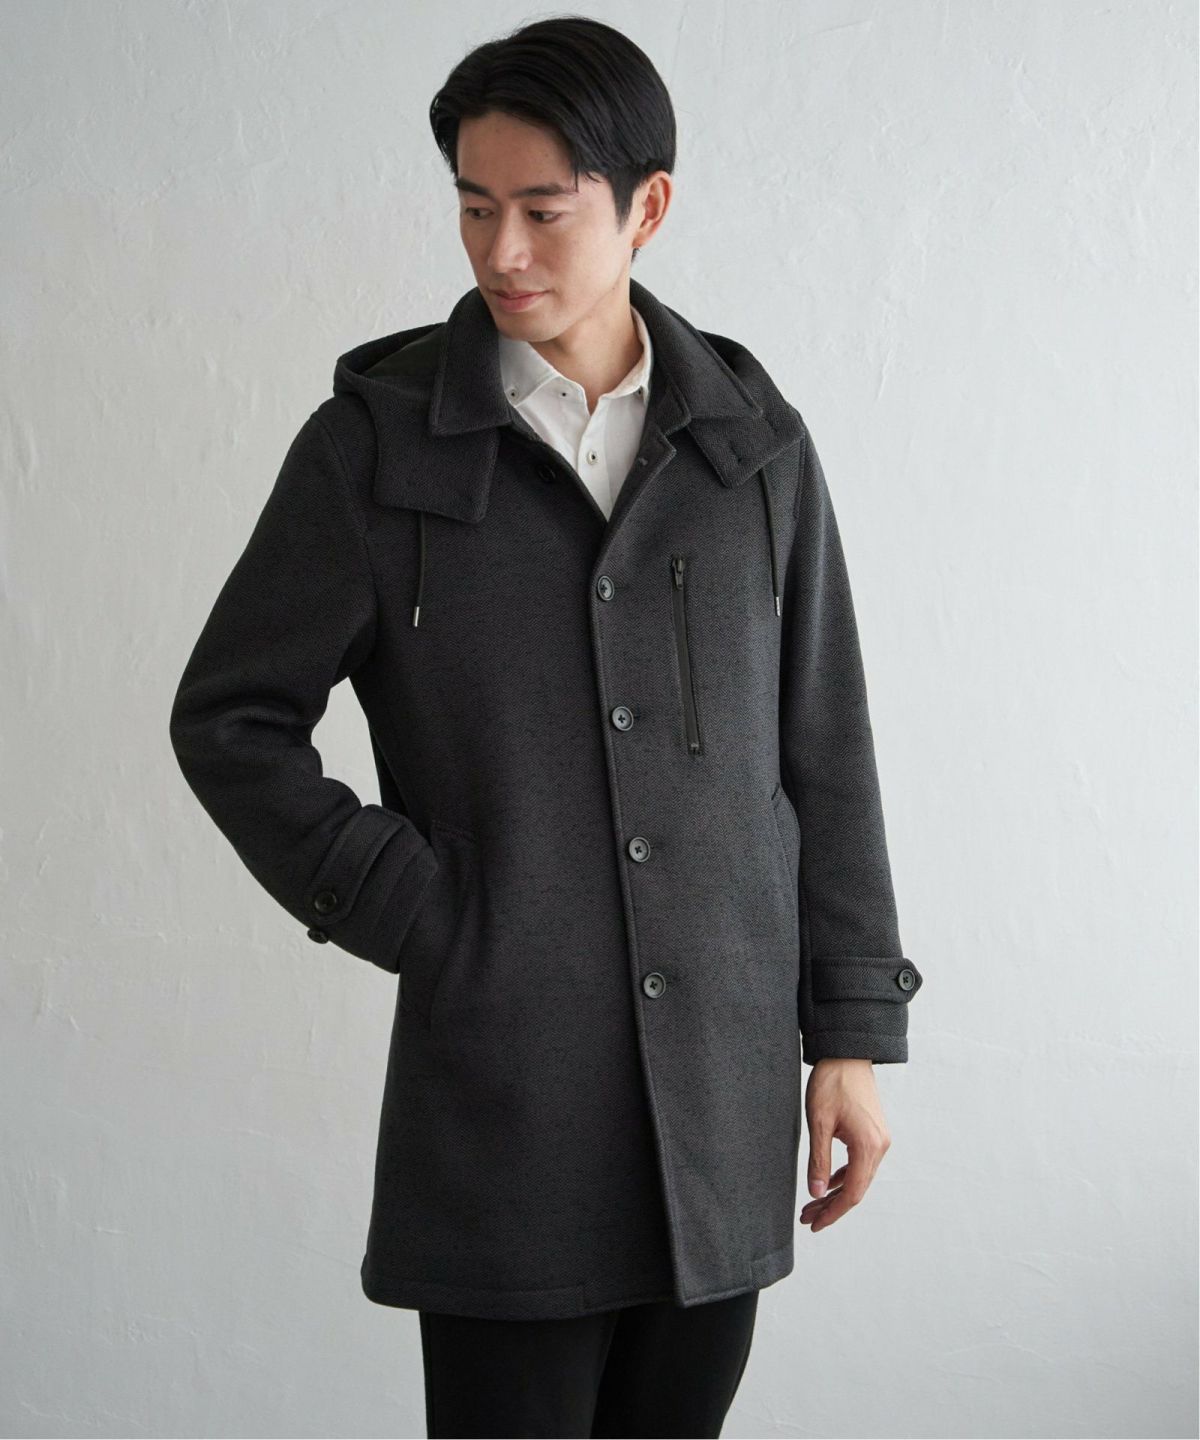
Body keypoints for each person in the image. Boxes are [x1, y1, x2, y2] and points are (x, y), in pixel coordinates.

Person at [169, 15, 923, 1439]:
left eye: (541, 208)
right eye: (472, 206)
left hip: (721, 1104)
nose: (500, 250)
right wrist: (418, 907)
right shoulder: (376, 447)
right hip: (507, 1096)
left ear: (647, 206)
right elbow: (231, 719)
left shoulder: (752, 448)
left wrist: (851, 1035)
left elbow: (823, 748)